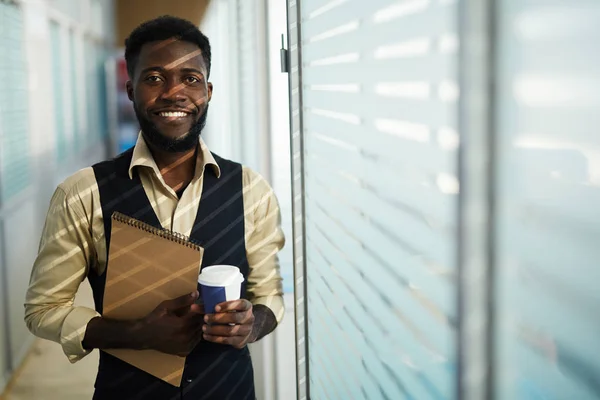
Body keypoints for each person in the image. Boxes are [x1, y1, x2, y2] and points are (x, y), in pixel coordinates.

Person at [24, 15, 284, 400]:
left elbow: (270, 298)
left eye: (190, 79)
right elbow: (43, 308)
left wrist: (251, 324)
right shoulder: (83, 193)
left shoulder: (251, 189)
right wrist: (137, 334)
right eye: (155, 78)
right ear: (130, 89)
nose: (174, 92)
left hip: (229, 390)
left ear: (208, 91)